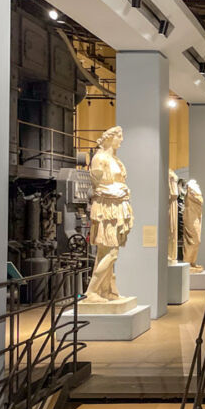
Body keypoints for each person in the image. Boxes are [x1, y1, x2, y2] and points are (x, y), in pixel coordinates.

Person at [85, 126, 133, 302]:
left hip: (116, 207)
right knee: (111, 252)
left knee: (105, 253)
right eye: (119, 137)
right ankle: (91, 291)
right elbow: (97, 188)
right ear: (110, 138)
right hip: (105, 209)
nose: (121, 140)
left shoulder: (114, 159)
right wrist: (118, 191)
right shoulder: (99, 158)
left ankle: (106, 290)